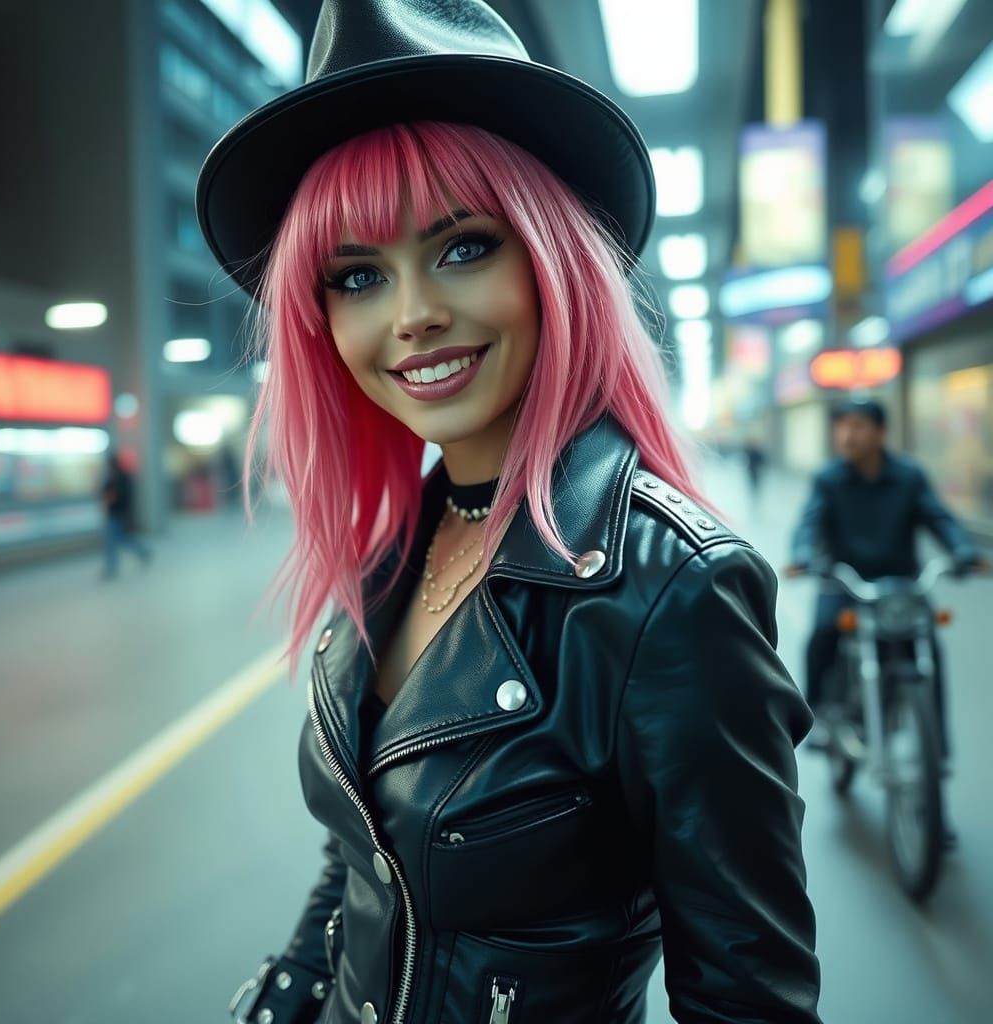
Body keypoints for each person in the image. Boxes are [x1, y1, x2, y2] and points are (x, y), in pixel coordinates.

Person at [204, 3, 821, 1022]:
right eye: (356, 275)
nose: (409, 315)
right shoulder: (394, 546)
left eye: (461, 248)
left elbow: (751, 998)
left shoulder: (671, 591)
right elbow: (366, 857)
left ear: (552, 262)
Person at [785, 397, 988, 769]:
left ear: (881, 432)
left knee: (930, 650)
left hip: (901, 588)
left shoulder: (910, 476)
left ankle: (936, 756)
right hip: (845, 584)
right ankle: (820, 720)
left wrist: (963, 550)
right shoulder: (828, 480)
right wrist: (802, 556)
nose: (847, 434)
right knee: (822, 634)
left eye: (858, 425)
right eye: (841, 425)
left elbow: (939, 518)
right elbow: (809, 523)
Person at [99, 452, 151, 579]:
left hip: (119, 514)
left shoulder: (121, 478)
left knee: (114, 541)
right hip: (115, 514)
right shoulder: (113, 478)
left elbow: (124, 498)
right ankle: (143, 551)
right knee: (122, 539)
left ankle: (112, 567)